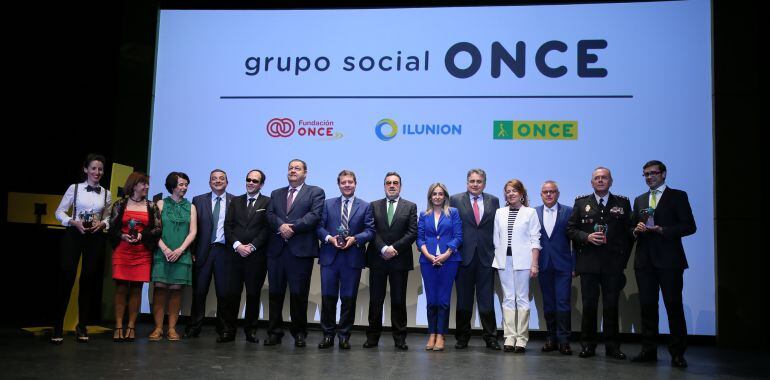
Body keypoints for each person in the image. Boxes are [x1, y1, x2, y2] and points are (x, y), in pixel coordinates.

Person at [630, 160, 696, 368]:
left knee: (673, 306)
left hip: (670, 262)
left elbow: (689, 226)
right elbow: (633, 227)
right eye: (646, 174)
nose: (649, 177)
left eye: (653, 173)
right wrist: (636, 229)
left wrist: (662, 230)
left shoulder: (678, 196)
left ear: (663, 174)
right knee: (647, 308)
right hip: (644, 262)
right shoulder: (640, 200)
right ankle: (648, 350)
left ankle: (677, 353)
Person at [566, 167, 633, 359]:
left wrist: (622, 260)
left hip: (613, 264)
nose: (601, 180)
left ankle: (612, 346)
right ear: (592, 182)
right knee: (589, 305)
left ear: (611, 181)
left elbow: (629, 234)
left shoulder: (622, 202)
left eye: (604, 178)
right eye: (597, 178)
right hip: (589, 263)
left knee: (611, 306)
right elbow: (570, 230)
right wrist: (586, 237)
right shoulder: (581, 203)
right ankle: (588, 345)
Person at [52, 154, 112, 344]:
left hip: (94, 237)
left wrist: (102, 225)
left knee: (89, 278)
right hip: (74, 234)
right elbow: (59, 211)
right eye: (93, 168)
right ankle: (58, 325)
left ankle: (82, 325)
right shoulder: (74, 188)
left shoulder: (106, 193)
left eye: (100, 169)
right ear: (86, 169)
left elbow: (108, 217)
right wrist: (71, 221)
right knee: (67, 276)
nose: (97, 172)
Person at [265, 159, 325, 347]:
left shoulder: (315, 192)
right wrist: (280, 226)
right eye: (290, 168)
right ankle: (274, 332)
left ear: (305, 173)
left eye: (297, 168)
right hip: (277, 251)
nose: (293, 171)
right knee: (275, 293)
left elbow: (314, 216)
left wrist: (292, 227)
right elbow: (269, 214)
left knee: (299, 294)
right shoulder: (276, 193)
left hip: (300, 252)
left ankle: (299, 333)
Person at [316, 170, 374, 349]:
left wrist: (355, 239)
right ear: (339, 184)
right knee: (328, 298)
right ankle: (327, 335)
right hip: (329, 258)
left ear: (355, 184)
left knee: (348, 300)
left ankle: (344, 336)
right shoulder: (327, 204)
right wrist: (329, 239)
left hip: (352, 259)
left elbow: (370, 231)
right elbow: (318, 227)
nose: (347, 185)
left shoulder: (365, 206)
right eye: (343, 182)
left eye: (350, 182)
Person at [364, 172, 417, 350]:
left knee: (398, 301)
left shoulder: (410, 206)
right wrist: (383, 248)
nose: (392, 185)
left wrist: (394, 248)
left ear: (400, 186)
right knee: (375, 300)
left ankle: (400, 339)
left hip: (399, 260)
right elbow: (371, 230)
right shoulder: (373, 205)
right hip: (378, 259)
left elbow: (412, 232)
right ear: (384, 185)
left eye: (395, 183)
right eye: (388, 183)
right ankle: (372, 338)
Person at [449, 169, 501, 350]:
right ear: (467, 183)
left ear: (484, 184)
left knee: (486, 300)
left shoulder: (494, 201)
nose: (475, 184)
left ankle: (491, 337)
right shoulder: (455, 200)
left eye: (479, 181)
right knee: (464, 300)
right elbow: (451, 227)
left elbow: (497, 228)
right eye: (472, 181)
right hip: (463, 257)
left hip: (486, 257)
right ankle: (462, 337)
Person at [109, 171, 162, 342]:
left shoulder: (151, 206)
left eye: (147, 184)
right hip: (122, 251)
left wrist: (142, 235)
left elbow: (157, 229)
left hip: (142, 252)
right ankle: (118, 325)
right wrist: (122, 236)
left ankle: (131, 326)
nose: (146, 186)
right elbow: (112, 227)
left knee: (137, 289)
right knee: (121, 288)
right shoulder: (120, 204)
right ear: (133, 185)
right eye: (143, 183)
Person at [492, 179, 541, 353]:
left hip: (524, 261)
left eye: (514, 191)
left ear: (521, 193)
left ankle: (522, 338)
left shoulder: (530, 212)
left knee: (521, 298)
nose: (511, 194)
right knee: (507, 298)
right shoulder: (500, 212)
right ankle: (510, 336)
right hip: (504, 260)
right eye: (508, 191)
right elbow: (496, 239)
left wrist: (534, 263)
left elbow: (535, 240)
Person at [184, 169, 235, 339]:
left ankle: (223, 328)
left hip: (225, 252)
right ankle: (194, 327)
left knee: (223, 293)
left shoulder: (235, 201)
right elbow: (191, 229)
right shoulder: (198, 201)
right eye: (214, 178)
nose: (218, 181)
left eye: (221, 179)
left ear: (227, 182)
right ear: (209, 182)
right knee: (199, 292)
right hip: (202, 252)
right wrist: (192, 251)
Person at [222, 169, 270, 343]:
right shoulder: (235, 201)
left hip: (256, 257)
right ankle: (229, 330)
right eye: (248, 179)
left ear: (261, 184)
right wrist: (237, 245)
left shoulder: (268, 202)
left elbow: (267, 228)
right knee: (232, 294)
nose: (250, 183)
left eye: (255, 181)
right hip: (235, 255)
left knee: (253, 294)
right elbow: (228, 226)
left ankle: (250, 331)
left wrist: (252, 246)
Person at [149, 172, 197, 341]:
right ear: (172, 186)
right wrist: (165, 248)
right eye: (181, 184)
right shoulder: (161, 204)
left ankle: (172, 328)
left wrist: (180, 250)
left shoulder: (191, 207)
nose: (184, 188)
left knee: (177, 291)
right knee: (160, 289)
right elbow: (154, 230)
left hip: (181, 254)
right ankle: (157, 328)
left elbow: (193, 232)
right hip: (162, 252)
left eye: (186, 184)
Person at [417, 183, 462, 351]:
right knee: (431, 301)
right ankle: (432, 334)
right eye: (434, 194)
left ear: (445, 196)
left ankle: (441, 335)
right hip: (427, 262)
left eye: (440, 194)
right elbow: (420, 238)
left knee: (443, 300)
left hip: (449, 261)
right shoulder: (424, 214)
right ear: (430, 197)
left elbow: (458, 236)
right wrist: (428, 255)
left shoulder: (453, 213)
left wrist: (446, 254)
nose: (437, 196)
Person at [534, 180, 574, 354]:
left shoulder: (569, 212)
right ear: (541, 194)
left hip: (563, 265)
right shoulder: (534, 213)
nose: (549, 194)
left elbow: (575, 241)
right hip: (543, 265)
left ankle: (564, 341)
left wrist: (574, 265)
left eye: (552, 191)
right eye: (545, 192)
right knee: (549, 304)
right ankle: (551, 339)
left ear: (558, 194)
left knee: (563, 303)